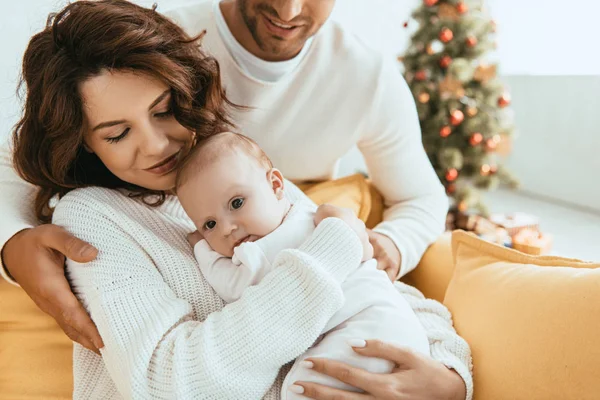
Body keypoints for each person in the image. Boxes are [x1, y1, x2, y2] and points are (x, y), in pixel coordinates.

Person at [0, 1, 472, 399]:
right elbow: (172, 382)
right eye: (118, 133)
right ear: (83, 141)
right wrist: (334, 246)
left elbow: (376, 288)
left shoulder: (226, 177)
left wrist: (449, 374)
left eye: (164, 111)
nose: (157, 144)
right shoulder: (92, 218)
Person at [176, 132, 431, 398]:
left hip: (364, 332)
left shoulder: (259, 251)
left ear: (276, 185)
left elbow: (232, 286)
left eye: (236, 203)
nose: (227, 228)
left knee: (302, 388)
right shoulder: (310, 214)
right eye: (210, 224)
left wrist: (201, 248)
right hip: (402, 329)